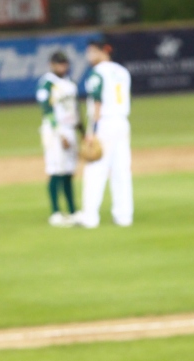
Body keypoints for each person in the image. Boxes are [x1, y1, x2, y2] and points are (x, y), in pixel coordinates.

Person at [76, 39, 133, 228]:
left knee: (95, 170)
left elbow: (97, 100)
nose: (89, 56)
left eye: (91, 52)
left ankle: (90, 217)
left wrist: (92, 131)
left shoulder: (97, 72)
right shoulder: (122, 71)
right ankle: (124, 216)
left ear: (102, 52)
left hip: (104, 123)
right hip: (122, 121)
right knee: (121, 170)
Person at [36, 51, 80, 227]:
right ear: (52, 64)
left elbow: (75, 109)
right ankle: (55, 213)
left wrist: (83, 132)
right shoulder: (47, 83)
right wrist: (59, 133)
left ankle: (73, 211)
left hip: (70, 129)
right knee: (56, 170)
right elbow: (46, 109)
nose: (63, 66)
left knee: (69, 171)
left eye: (65, 63)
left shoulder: (69, 83)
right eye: (59, 64)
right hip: (54, 131)